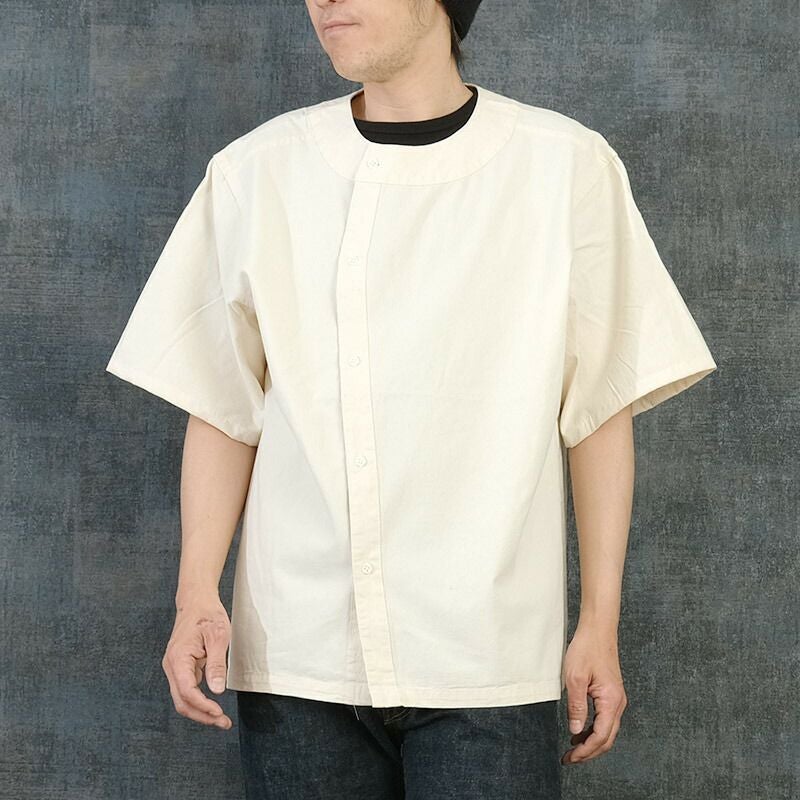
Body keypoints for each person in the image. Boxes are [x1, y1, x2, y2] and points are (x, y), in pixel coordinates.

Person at [105, 0, 718, 797]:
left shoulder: (563, 168)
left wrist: (598, 623)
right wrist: (196, 593)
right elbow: (223, 406)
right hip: (298, 654)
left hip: (490, 658)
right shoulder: (259, 172)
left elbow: (600, 410)